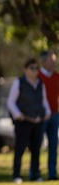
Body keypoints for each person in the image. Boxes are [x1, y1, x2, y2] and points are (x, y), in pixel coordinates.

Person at [7, 58, 51, 184]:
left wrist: (47, 113)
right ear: (25, 69)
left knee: (36, 149)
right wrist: (18, 115)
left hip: (38, 120)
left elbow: (44, 101)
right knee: (20, 149)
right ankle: (17, 175)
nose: (34, 71)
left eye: (36, 68)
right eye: (31, 68)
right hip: (24, 121)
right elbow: (10, 102)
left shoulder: (40, 84)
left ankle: (36, 175)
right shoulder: (19, 82)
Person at [38, 50, 59, 181]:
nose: (54, 62)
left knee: (53, 146)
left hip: (55, 115)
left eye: (55, 60)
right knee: (37, 145)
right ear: (44, 61)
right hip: (40, 117)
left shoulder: (57, 77)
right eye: (51, 60)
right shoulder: (37, 76)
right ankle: (35, 173)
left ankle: (52, 173)